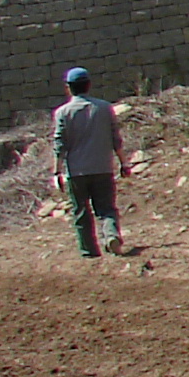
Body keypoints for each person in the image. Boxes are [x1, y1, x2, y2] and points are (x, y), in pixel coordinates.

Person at [51, 66, 131, 258]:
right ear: (88, 85)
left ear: (69, 87)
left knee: (81, 212)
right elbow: (115, 138)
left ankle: (89, 251)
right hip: (102, 167)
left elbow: (60, 144)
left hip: (76, 172)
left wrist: (57, 172)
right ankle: (111, 235)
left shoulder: (62, 113)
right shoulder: (104, 108)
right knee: (106, 208)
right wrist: (123, 163)